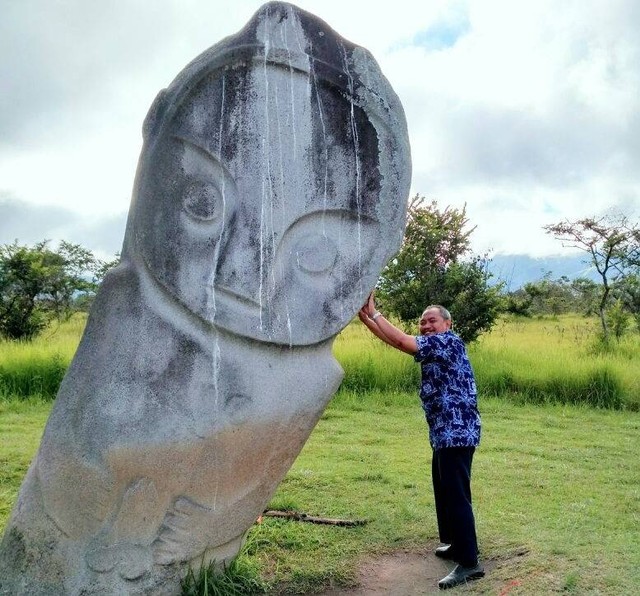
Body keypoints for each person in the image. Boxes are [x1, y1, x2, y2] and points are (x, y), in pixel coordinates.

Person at [358, 293, 485, 590]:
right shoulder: (434, 347)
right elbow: (399, 343)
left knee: (456, 495)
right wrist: (366, 319)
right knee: (444, 488)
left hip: (457, 432)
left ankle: (470, 562)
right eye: (422, 322)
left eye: (432, 321)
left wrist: (374, 314)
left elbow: (404, 341)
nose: (426, 326)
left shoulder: (449, 342)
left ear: (447, 323)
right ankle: (455, 543)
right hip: (444, 431)